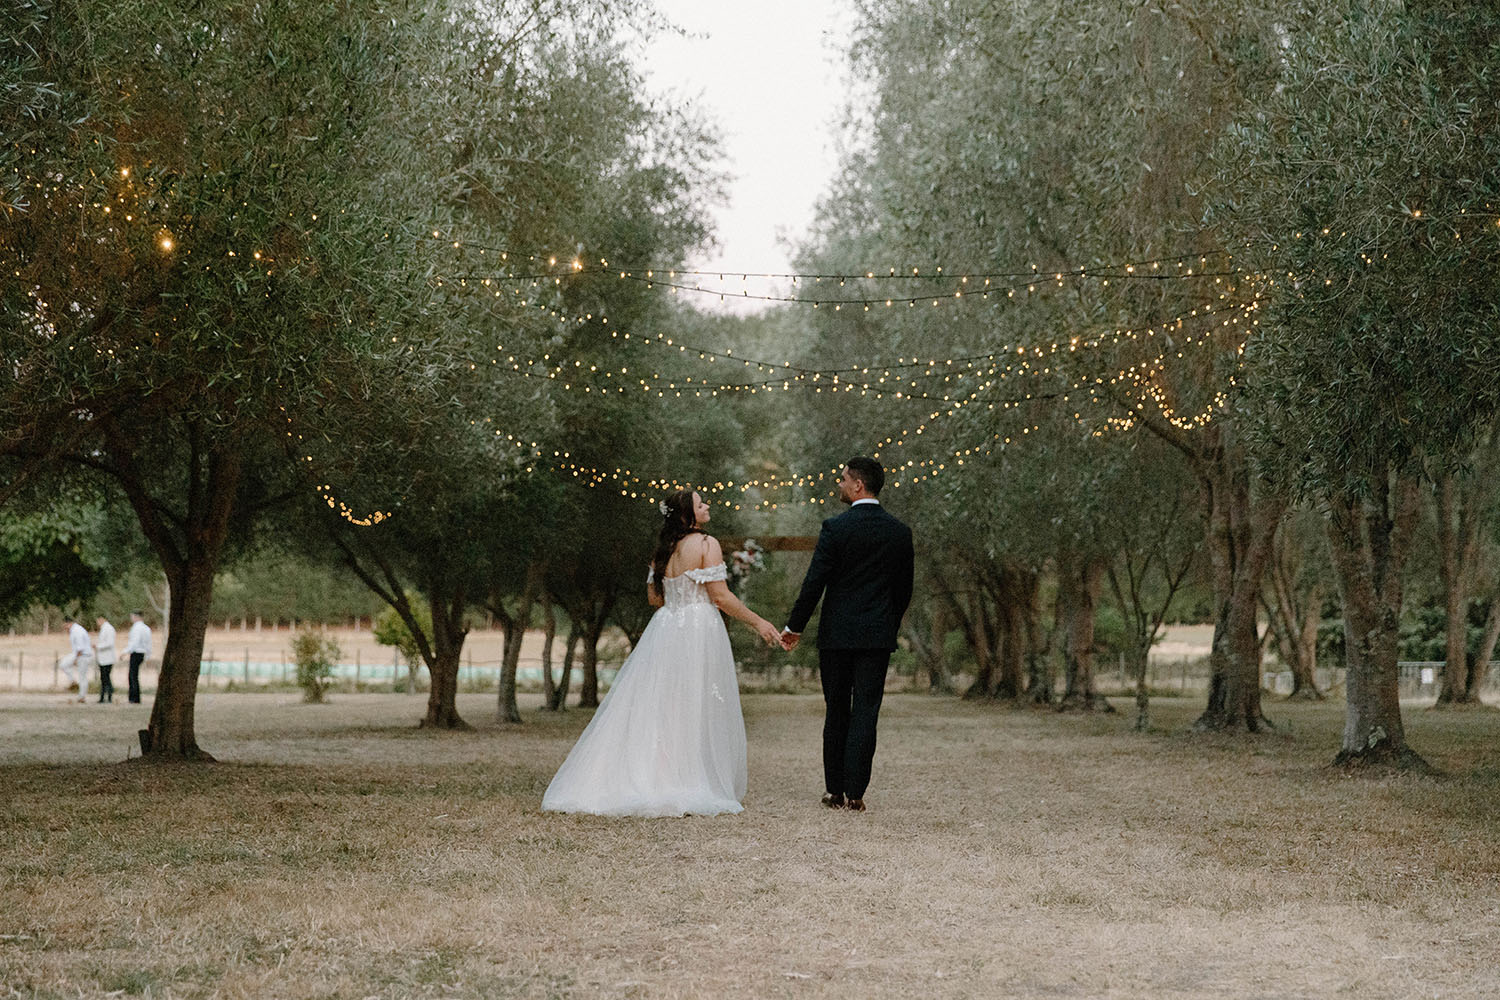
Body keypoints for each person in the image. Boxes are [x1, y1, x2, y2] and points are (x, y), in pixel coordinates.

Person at [543, 488, 783, 817]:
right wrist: (759, 623)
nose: (707, 505)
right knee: (694, 703)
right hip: (698, 629)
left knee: (664, 704)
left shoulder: (661, 552)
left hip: (667, 628)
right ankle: (686, 778)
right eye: (700, 503)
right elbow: (721, 597)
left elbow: (655, 599)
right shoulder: (706, 544)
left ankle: (659, 775)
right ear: (687, 514)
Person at [781, 456, 914, 813]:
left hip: (837, 636)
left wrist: (794, 626)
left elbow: (815, 582)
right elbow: (904, 590)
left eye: (843, 479)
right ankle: (856, 794)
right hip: (876, 637)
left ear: (858, 485)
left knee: (837, 709)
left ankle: (835, 791)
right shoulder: (899, 532)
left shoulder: (835, 529)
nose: (839, 484)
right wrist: (887, 624)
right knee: (866, 711)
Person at [59, 614, 93, 704]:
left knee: (82, 676)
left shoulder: (77, 631)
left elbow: (80, 647)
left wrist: (75, 659)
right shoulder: (74, 630)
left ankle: (82, 696)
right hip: (78, 653)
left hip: (83, 655)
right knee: (63, 664)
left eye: (64, 625)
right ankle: (73, 681)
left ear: (68, 623)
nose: (64, 627)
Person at [124, 611, 152, 704]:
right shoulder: (146, 628)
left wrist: (125, 651)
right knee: (134, 675)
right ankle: (135, 697)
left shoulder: (136, 628)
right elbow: (149, 644)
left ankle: (134, 697)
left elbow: (134, 642)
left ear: (136, 617)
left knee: (132, 675)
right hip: (142, 653)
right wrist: (148, 655)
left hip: (136, 652)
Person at [94, 614, 117, 703]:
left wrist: (98, 646)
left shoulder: (108, 629)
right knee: (104, 678)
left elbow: (109, 643)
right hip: (103, 658)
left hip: (107, 658)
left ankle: (108, 696)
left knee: (106, 678)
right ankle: (104, 696)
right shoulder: (104, 628)